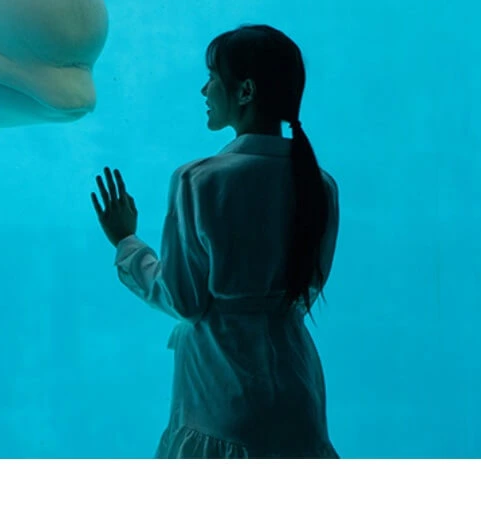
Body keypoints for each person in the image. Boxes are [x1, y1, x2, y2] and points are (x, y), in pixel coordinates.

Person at [91, 24, 340, 458]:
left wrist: (126, 241)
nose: (204, 88)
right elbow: (306, 292)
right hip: (298, 394)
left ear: (244, 91)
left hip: (221, 397)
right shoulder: (320, 185)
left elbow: (183, 300)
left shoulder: (198, 180)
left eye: (212, 75)